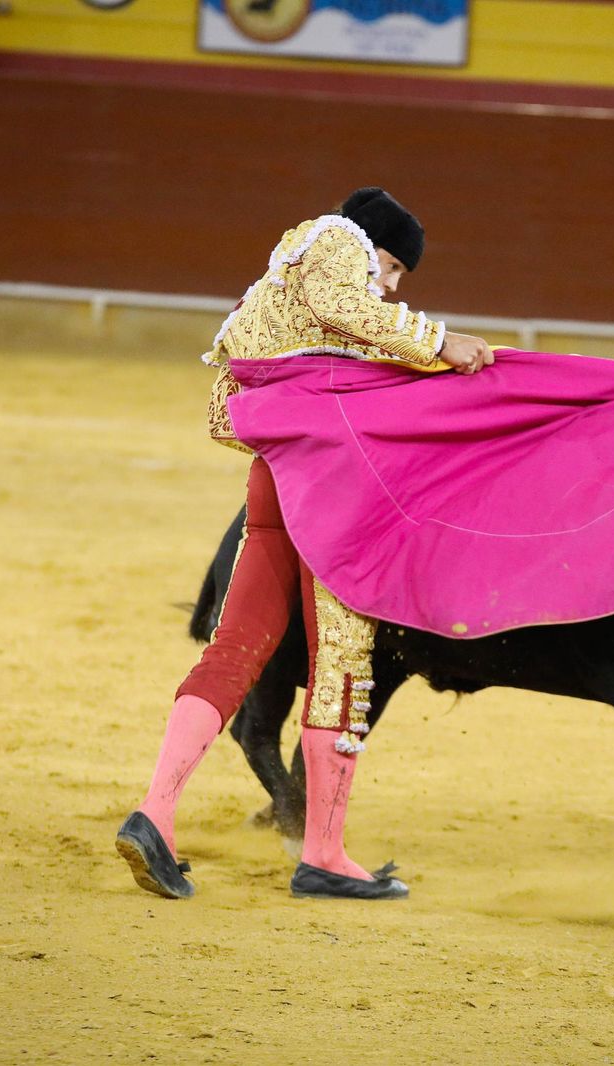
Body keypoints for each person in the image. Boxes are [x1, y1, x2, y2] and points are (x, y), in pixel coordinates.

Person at [115, 188, 491, 901]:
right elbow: (348, 306)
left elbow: (224, 415)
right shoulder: (338, 242)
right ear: (369, 243)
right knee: (341, 665)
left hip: (276, 479)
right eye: (393, 266)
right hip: (332, 488)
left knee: (232, 651)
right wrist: (440, 342)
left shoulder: (272, 289)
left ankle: (155, 814)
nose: (391, 285)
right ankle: (323, 853)